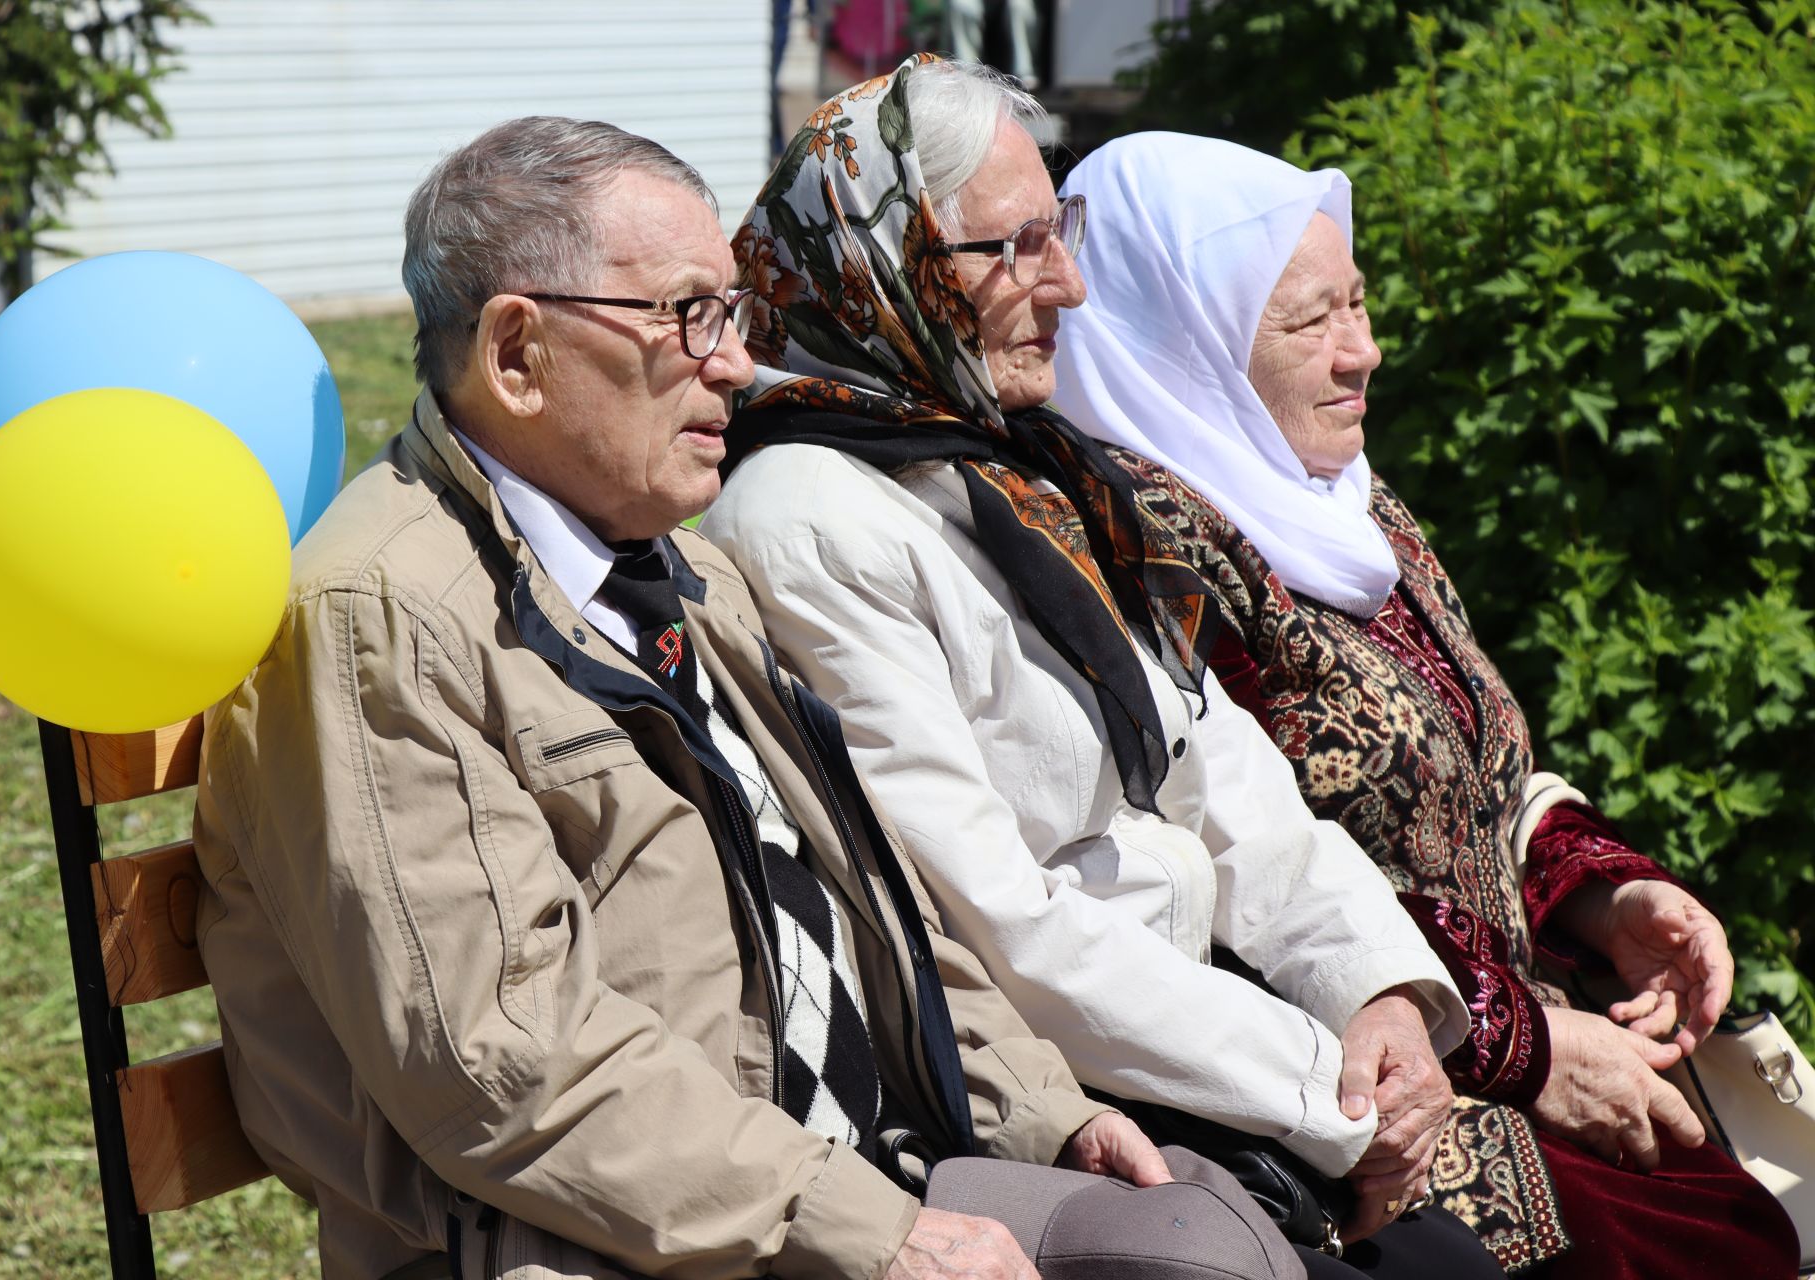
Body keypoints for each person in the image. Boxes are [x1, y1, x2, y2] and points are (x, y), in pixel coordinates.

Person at [191, 115, 1309, 1280]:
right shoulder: (386, 617)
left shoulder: (677, 568)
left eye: (730, 312)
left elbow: (874, 898)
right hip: (608, 1243)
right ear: (517, 355)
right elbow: (501, 1066)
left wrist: (1039, 1105)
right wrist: (876, 1234)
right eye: (688, 315)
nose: (737, 361)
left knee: (1211, 1236)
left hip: (829, 1184)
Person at [704, 57, 1501, 1279]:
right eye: (1011, 248)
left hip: (1215, 1036)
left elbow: (1220, 765)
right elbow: (991, 920)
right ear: (884, 266)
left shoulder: (1019, 464)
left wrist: (1375, 994)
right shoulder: (809, 516)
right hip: (1065, 1088)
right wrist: (1330, 1094)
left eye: (1058, 230)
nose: (1066, 282)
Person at [1046, 130, 1802, 1278]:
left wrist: (1604, 891)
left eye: (1358, 303)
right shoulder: (1140, 551)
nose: (1367, 351)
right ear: (1178, 336)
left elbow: (1469, 776)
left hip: (1510, 1034)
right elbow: (1224, 878)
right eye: (1311, 321)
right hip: (1363, 1088)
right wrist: (1528, 1043)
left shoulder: (1343, 506)